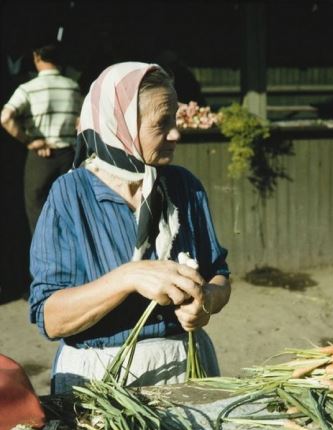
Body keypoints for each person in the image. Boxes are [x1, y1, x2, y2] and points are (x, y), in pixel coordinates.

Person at [29, 62, 230, 394]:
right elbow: (51, 318)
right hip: (98, 380)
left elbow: (219, 274)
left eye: (175, 121)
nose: (176, 134)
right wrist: (128, 277)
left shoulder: (184, 187)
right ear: (119, 126)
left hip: (185, 366)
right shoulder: (71, 194)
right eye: (161, 124)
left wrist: (207, 299)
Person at [1, 42, 82, 233]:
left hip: (41, 158)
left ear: (37, 57)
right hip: (69, 158)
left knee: (37, 212)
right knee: (68, 212)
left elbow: (5, 117)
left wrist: (30, 140)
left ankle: (43, 256)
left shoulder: (28, 88)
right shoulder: (73, 87)